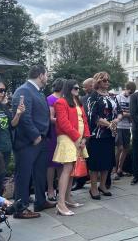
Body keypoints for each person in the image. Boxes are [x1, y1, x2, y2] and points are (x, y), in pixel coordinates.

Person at [11, 65, 55, 218]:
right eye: (47, 75)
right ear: (41, 75)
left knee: (39, 173)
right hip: (28, 142)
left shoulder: (37, 91)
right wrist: (35, 135)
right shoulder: (24, 90)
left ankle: (40, 202)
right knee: (23, 175)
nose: (47, 78)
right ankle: (20, 209)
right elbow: (24, 116)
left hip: (41, 140)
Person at [53, 80, 90, 216]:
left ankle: (67, 198)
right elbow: (63, 122)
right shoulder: (61, 102)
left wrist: (85, 137)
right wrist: (77, 137)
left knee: (72, 168)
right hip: (67, 138)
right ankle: (60, 203)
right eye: (75, 88)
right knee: (67, 168)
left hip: (78, 139)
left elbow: (84, 121)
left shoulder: (79, 103)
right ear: (68, 89)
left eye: (78, 88)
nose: (77, 90)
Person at [86, 72, 122, 200]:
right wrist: (109, 124)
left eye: (108, 80)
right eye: (104, 80)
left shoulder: (113, 96)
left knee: (107, 161)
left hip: (110, 134)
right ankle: (94, 188)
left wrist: (116, 121)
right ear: (98, 82)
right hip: (97, 134)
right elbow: (93, 117)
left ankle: (103, 185)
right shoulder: (93, 97)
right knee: (95, 163)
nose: (107, 82)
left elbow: (120, 112)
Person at [71, 77, 95, 192]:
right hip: (83, 134)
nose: (84, 89)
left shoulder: (99, 97)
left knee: (93, 159)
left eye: (86, 87)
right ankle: (80, 181)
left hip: (95, 133)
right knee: (81, 158)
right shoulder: (82, 99)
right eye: (83, 87)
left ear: (92, 85)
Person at [46, 78, 65, 201]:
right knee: (52, 163)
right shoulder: (51, 99)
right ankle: (50, 189)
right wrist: (64, 121)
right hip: (54, 134)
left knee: (62, 162)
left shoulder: (64, 99)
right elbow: (50, 118)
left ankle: (61, 188)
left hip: (64, 134)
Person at [114, 81, 136, 180]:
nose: (129, 94)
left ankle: (120, 168)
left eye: (131, 92)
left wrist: (125, 113)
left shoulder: (132, 98)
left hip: (127, 126)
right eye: (129, 91)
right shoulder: (118, 97)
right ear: (125, 89)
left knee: (126, 148)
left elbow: (133, 112)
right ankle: (115, 169)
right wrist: (127, 114)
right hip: (119, 125)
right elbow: (118, 111)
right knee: (119, 148)